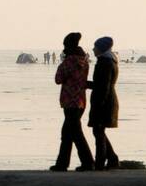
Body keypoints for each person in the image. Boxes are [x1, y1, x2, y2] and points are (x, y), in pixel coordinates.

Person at [51, 32, 94, 171]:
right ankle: (63, 163)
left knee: (73, 133)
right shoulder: (84, 61)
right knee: (69, 132)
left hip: (69, 101)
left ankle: (86, 162)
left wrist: (62, 63)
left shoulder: (69, 62)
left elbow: (58, 79)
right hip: (80, 101)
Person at [87, 36, 120, 170]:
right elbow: (103, 84)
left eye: (95, 47)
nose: (93, 49)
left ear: (101, 48)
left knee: (98, 131)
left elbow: (103, 86)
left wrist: (99, 103)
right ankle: (112, 158)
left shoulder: (105, 63)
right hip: (108, 99)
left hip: (104, 101)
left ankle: (100, 162)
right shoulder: (110, 60)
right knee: (99, 131)